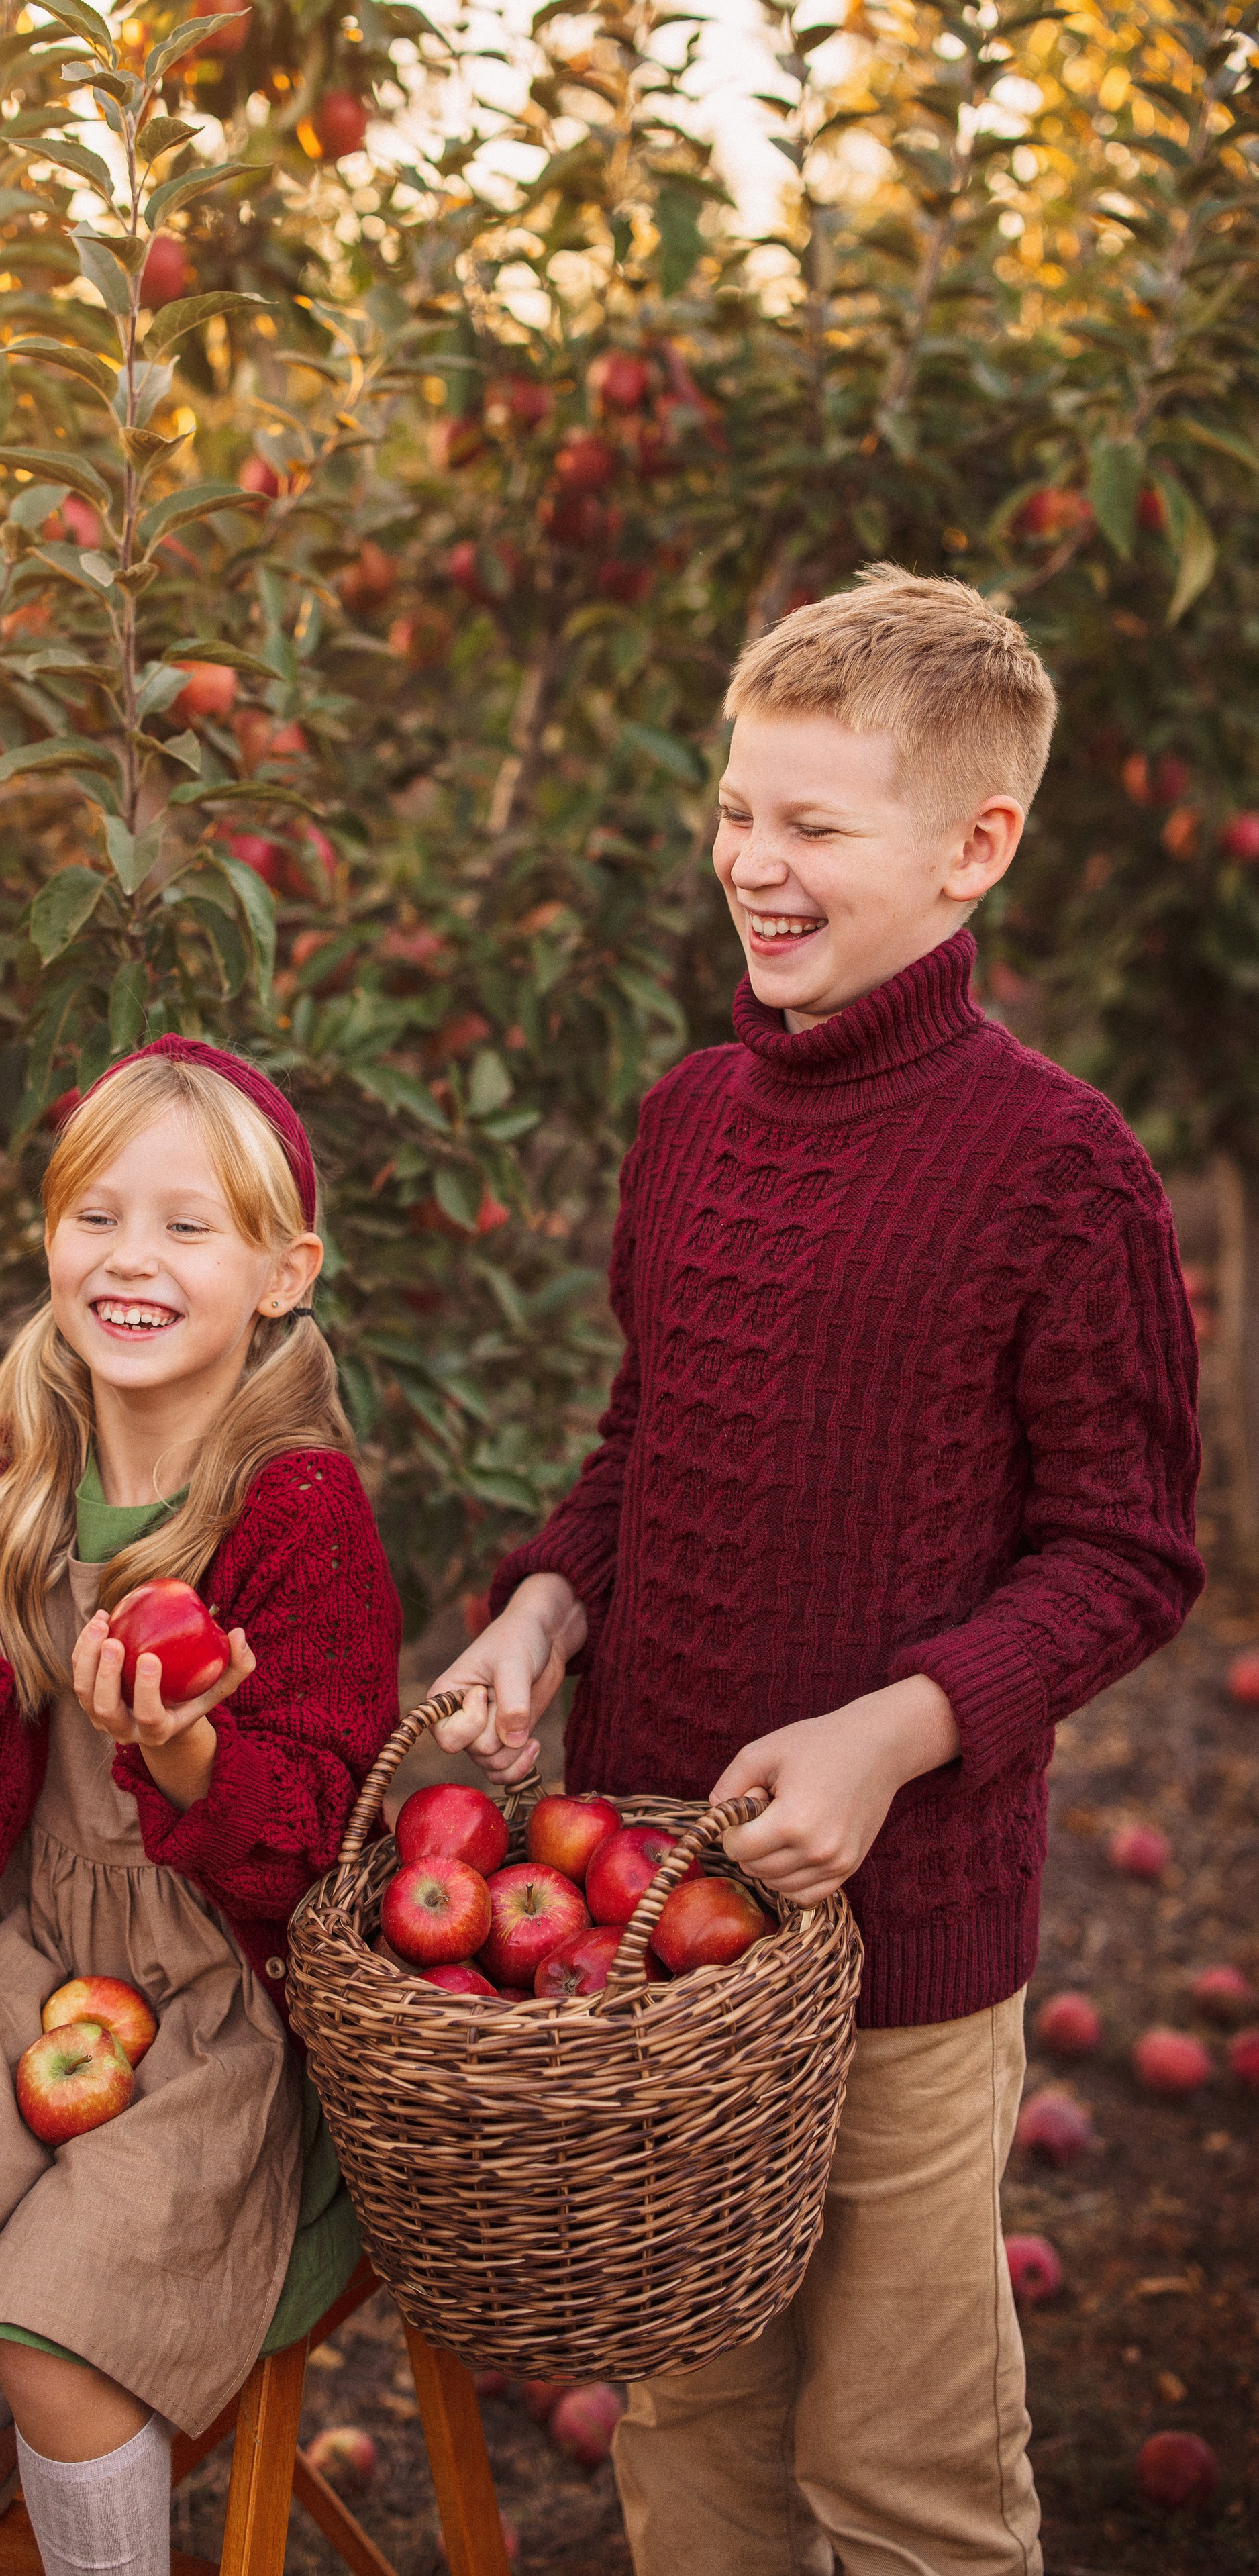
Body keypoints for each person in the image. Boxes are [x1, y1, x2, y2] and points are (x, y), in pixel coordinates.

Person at [431, 567, 1203, 2576]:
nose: (749, 867)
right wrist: (545, 1604)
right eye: (734, 812)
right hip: (645, 1906)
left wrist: (892, 1732)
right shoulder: (691, 1117)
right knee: (692, 2423)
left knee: (905, 2467)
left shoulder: (1061, 1165)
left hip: (905, 1940)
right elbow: (642, 1448)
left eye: (812, 826)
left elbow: (1128, 1552)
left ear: (976, 849)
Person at [0, 1038, 399, 2576]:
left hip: (228, 1999)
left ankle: (32, 2403)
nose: (131, 1258)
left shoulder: (294, 1509)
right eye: (96, 1216)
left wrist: (190, 1757)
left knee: (66, 2345)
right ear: (50, 1237)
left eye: (188, 1226)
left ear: (282, 1272)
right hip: (37, 1949)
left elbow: (319, 1845)